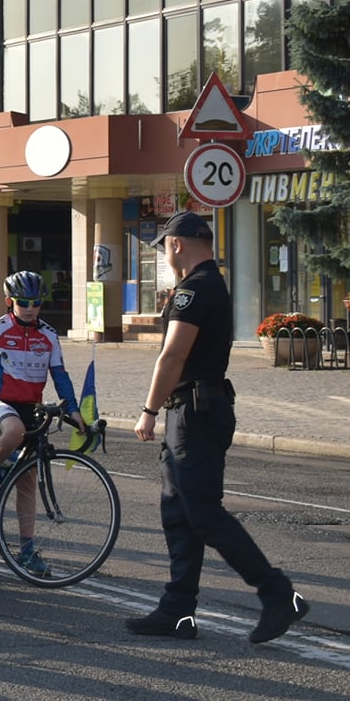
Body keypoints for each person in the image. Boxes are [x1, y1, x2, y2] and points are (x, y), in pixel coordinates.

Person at [128, 212, 308, 644]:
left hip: (196, 414)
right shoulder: (206, 283)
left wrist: (148, 409)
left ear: (176, 244)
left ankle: (278, 594)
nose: (166, 254)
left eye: (165, 246)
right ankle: (177, 610)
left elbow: (173, 356)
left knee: (204, 514)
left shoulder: (196, 288)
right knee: (180, 513)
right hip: (193, 410)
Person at [0, 270, 80, 577]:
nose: (30, 308)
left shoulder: (49, 334)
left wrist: (74, 411)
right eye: (23, 302)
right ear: (10, 301)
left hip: (31, 407)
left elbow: (60, 376)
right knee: (14, 430)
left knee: (28, 481)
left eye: (36, 302)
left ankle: (27, 551)